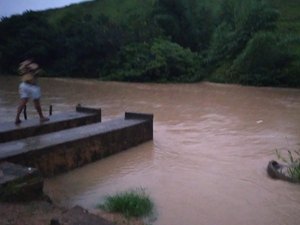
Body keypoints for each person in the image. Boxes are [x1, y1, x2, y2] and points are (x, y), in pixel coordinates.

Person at [15, 59, 49, 124]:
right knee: (36, 102)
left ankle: (17, 118)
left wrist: (27, 65)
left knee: (23, 102)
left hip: (24, 85)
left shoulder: (24, 67)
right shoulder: (28, 67)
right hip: (32, 86)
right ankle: (41, 117)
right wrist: (28, 65)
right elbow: (34, 68)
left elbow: (34, 69)